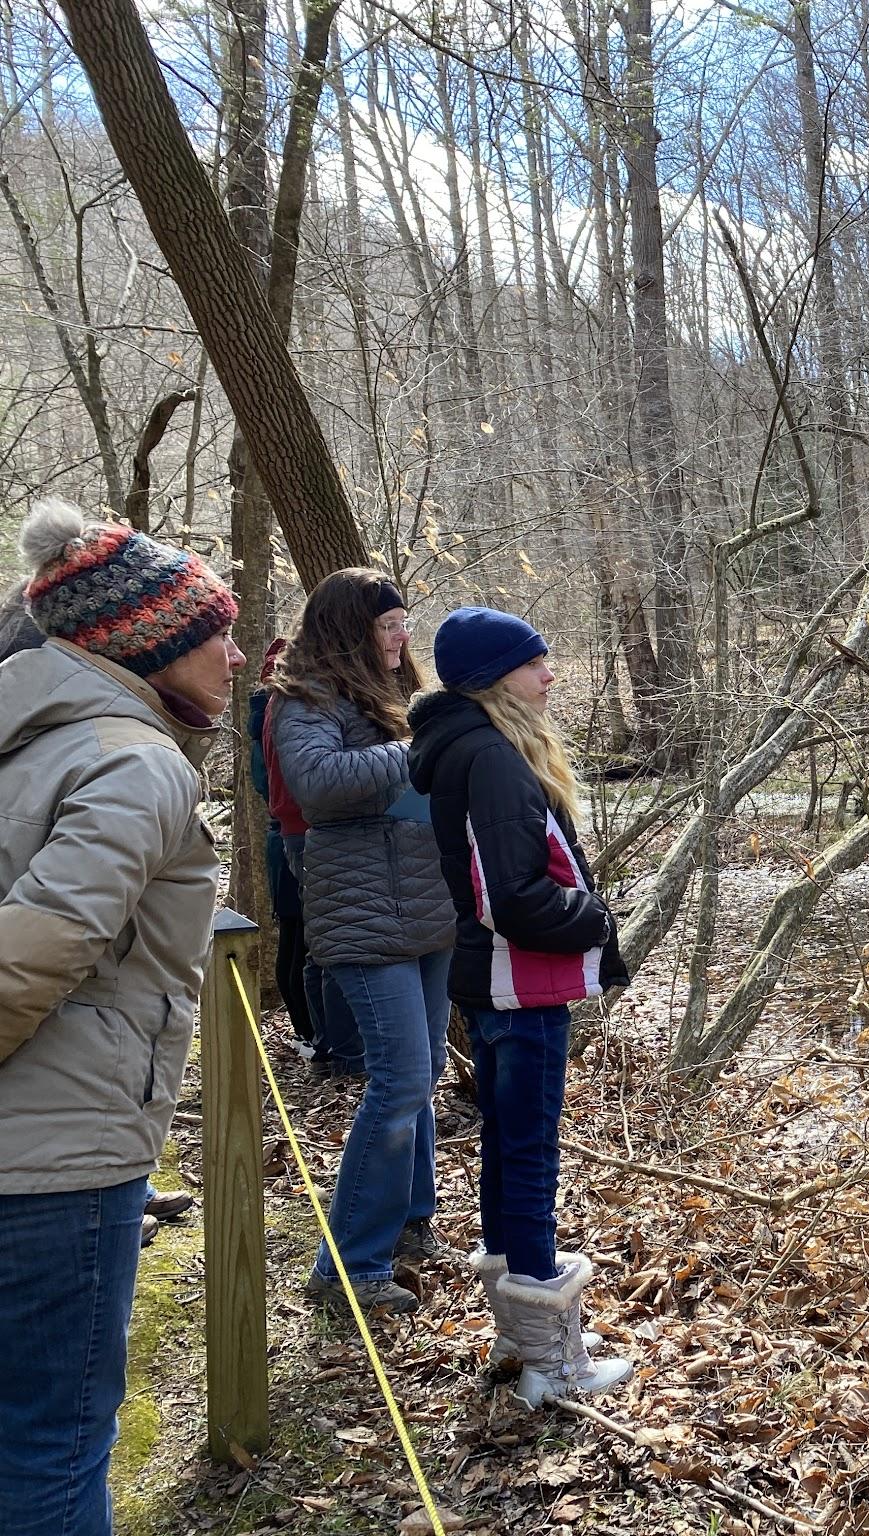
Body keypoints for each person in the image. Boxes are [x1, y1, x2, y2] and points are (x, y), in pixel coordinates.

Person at [0, 501, 244, 1535]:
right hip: (58, 1167)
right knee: (53, 1448)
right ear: (148, 638)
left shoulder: (27, 742)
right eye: (218, 632)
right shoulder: (132, 761)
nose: (237, 656)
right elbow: (32, 953)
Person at [409, 607, 632, 1405]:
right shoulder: (495, 758)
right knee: (529, 1158)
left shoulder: (464, 749)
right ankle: (554, 1367)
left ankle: (520, 1338)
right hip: (520, 982)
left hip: (494, 981)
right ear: (496, 675)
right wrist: (599, 918)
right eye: (535, 663)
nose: (549, 674)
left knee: (508, 1153)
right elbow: (513, 896)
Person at [269, 569, 455, 1315]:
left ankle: (410, 1221)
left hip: (427, 908)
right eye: (387, 625)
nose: (401, 635)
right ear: (351, 629)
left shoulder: (398, 696)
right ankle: (347, 1267)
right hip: (363, 914)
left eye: (405, 622)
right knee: (401, 1077)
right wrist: (417, 751)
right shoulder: (304, 697)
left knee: (429, 1067)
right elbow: (315, 782)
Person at [252, 637, 364, 1076]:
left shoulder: (279, 705)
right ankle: (329, 1047)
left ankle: (323, 1043)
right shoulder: (291, 707)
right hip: (301, 831)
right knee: (317, 946)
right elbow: (290, 781)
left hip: (294, 830)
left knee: (311, 943)